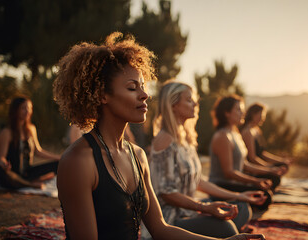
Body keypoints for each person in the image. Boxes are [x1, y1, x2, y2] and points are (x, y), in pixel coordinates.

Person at [53, 32, 265, 240]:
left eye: (143, 87)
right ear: (102, 95)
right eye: (132, 88)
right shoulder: (78, 161)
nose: (145, 94)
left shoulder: (138, 155)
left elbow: (161, 230)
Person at [147, 81, 267, 238]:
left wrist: (239, 195)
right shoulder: (164, 139)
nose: (195, 103)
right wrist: (204, 207)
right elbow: (166, 194)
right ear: (173, 105)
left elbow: (197, 181)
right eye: (189, 100)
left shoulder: (185, 139)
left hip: (189, 211)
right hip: (170, 220)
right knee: (226, 228)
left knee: (242, 208)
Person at [209, 95, 285, 210]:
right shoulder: (222, 136)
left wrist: (268, 171)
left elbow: (244, 164)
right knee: (264, 196)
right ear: (227, 113)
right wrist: (255, 181)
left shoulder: (235, 133)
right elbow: (228, 173)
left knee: (267, 188)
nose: (243, 113)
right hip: (221, 186)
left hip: (234, 183)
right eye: (239, 110)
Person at [0, 97, 60, 189]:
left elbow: (38, 151)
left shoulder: (31, 129)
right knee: (1, 173)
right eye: (23, 108)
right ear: (15, 110)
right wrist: (4, 164)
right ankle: (30, 184)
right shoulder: (7, 132)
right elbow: (1, 157)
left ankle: (25, 182)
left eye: (29, 108)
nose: (27, 111)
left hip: (27, 172)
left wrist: (59, 158)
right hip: (11, 172)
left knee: (60, 164)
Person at [240, 103, 292, 169]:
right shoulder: (247, 132)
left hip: (260, 165)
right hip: (253, 168)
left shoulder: (257, 130)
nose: (263, 118)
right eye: (261, 115)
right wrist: (270, 168)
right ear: (253, 114)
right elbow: (252, 158)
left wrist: (282, 161)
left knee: (284, 165)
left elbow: (262, 153)